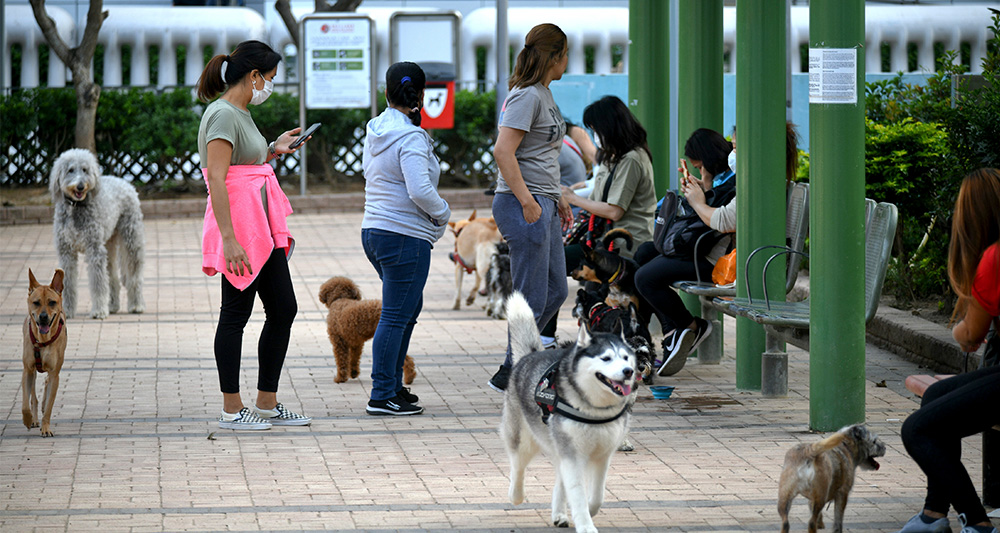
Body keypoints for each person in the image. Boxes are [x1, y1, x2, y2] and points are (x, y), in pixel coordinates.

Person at [198, 40, 312, 430]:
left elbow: (247, 162)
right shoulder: (222, 115)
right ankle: (232, 408)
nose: (271, 86)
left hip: (261, 227)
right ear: (254, 76)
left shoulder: (241, 113)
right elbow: (217, 177)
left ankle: (266, 402)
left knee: (283, 309)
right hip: (241, 230)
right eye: (271, 79)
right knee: (235, 313)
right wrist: (229, 240)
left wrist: (273, 149)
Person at [894, 168, 1000, 533]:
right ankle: (934, 513)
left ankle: (977, 522)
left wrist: (959, 327)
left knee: (917, 431)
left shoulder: (993, 259)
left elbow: (970, 334)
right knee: (936, 393)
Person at [361, 62, 451, 416]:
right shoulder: (411, 137)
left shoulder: (377, 130)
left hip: (375, 231)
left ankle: (393, 386)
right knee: (396, 316)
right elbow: (420, 190)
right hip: (403, 237)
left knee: (406, 310)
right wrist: (443, 212)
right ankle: (382, 394)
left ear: (386, 93)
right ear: (421, 94)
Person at [488, 23, 573, 392]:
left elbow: (542, 155)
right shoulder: (526, 96)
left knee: (556, 290)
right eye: (566, 54)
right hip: (524, 203)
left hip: (543, 200)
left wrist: (558, 196)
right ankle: (517, 372)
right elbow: (503, 151)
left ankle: (515, 366)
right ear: (554, 57)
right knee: (533, 296)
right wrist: (527, 201)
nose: (567, 61)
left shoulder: (544, 94)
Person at [538, 95, 657, 343]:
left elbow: (614, 210)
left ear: (610, 127)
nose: (594, 136)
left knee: (554, 261)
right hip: (603, 243)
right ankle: (550, 337)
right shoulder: (612, 157)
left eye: (596, 130)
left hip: (623, 246)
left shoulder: (632, 159)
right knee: (555, 263)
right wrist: (570, 194)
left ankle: (547, 338)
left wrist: (574, 199)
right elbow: (597, 194)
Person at [633, 128, 736, 373]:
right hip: (705, 250)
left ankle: (689, 326)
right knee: (644, 253)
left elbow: (721, 221)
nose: (733, 148)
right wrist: (705, 186)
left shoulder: (740, 182)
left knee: (644, 277)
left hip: (719, 261)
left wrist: (698, 200)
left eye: (738, 145)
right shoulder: (727, 179)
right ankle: (670, 330)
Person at [684, 122, 800, 233]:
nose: (732, 154)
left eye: (735, 147)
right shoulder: (767, 181)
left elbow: (726, 221)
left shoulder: (757, 185)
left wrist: (697, 203)